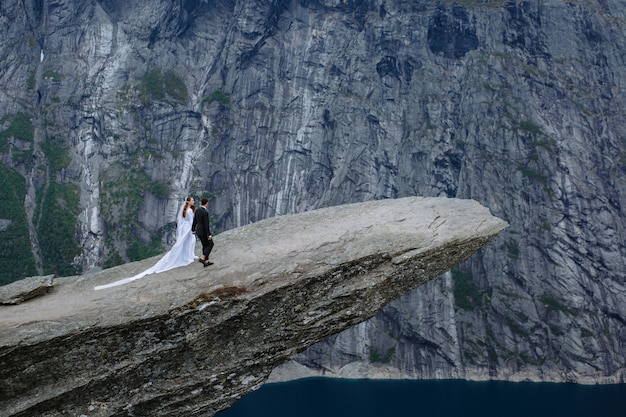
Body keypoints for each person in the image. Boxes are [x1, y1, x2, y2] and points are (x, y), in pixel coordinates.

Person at [94, 197, 197, 290]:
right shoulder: (189, 211)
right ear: (188, 202)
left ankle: (187, 256)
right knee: (188, 243)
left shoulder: (186, 210)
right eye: (192, 200)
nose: (193, 201)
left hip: (185, 229)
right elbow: (191, 221)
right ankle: (187, 257)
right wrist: (194, 228)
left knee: (186, 243)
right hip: (188, 229)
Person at [192, 196, 214, 267]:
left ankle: (206, 261)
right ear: (206, 203)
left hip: (198, 231)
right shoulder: (205, 212)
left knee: (205, 245)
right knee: (210, 244)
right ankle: (203, 257)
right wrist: (209, 235)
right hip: (204, 232)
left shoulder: (197, 210)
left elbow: (194, 220)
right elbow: (206, 225)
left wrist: (193, 229)